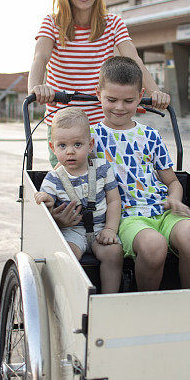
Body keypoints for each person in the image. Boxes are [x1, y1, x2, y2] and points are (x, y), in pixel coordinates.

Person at [27, 0, 170, 168]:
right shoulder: (53, 23)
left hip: (100, 121)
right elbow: (40, 58)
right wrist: (36, 88)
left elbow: (134, 59)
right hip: (64, 120)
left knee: (109, 181)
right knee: (68, 183)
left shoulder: (112, 23)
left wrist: (155, 92)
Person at [89, 56, 190, 291]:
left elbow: (172, 181)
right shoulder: (90, 138)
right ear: (98, 93)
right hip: (126, 215)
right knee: (153, 246)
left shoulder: (150, 136)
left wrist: (174, 198)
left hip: (161, 209)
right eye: (111, 99)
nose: (120, 107)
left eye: (128, 100)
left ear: (141, 96)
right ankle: (146, 305)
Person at [34, 107, 123, 293]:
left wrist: (110, 229)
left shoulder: (101, 168)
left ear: (90, 145)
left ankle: (107, 300)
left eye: (77, 145)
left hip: (100, 229)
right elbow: (47, 201)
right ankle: (74, 299)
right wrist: (46, 199)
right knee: (67, 256)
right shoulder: (54, 178)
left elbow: (114, 200)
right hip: (73, 231)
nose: (70, 152)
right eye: (62, 146)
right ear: (52, 147)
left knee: (114, 254)